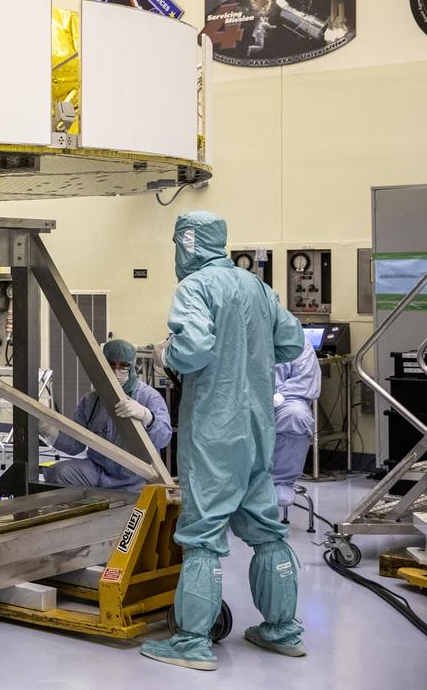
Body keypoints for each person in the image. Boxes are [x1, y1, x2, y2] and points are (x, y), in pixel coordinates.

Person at [141, 211, 307, 671]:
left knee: (203, 534)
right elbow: (292, 343)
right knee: (266, 529)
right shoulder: (255, 285)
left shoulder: (196, 287)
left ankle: (191, 641)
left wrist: (165, 351)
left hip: (216, 430)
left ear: (186, 243)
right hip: (257, 427)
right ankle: (282, 630)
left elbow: (191, 351)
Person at [44, 338, 172, 491]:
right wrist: (46, 429)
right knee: (57, 473)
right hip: (98, 471)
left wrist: (146, 416)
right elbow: (75, 445)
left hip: (136, 477)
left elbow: (164, 438)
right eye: (111, 365)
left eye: (123, 366)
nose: (116, 371)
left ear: (133, 367)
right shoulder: (91, 401)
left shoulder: (149, 397)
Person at [272, 343, 321, 513]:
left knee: (296, 416)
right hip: (240, 398)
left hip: (284, 399)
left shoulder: (297, 341)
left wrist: (275, 397)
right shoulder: (236, 334)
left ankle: (280, 481)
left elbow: (305, 381)